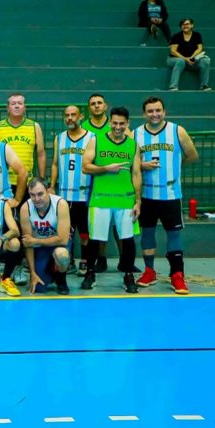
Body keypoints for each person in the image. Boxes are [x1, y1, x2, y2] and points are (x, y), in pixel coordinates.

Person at [134, 97, 199, 294]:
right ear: (144, 113)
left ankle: (177, 274)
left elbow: (193, 155)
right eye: (150, 111)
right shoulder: (136, 133)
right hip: (147, 194)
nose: (155, 114)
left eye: (158, 110)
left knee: (173, 233)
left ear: (164, 111)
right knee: (147, 234)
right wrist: (142, 165)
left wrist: (174, 169)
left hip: (171, 194)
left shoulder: (177, 130)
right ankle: (149, 271)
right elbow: (133, 163)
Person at [80, 106, 142, 293]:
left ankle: (128, 275)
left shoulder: (133, 145)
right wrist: (106, 168)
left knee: (128, 239)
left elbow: (137, 173)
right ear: (110, 122)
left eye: (121, 123)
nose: (117, 127)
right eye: (114, 123)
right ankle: (90, 273)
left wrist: (138, 201)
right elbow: (85, 167)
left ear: (127, 124)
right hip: (101, 199)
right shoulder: (96, 141)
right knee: (95, 239)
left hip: (125, 200)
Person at [49, 105, 95, 275]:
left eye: (73, 115)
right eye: (67, 115)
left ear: (80, 116)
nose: (70, 118)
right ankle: (68, 261)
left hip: (85, 193)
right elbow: (54, 163)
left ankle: (85, 260)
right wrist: (52, 186)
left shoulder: (92, 138)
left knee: (85, 231)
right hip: (64, 194)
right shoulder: (59, 138)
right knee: (67, 231)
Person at [20, 177, 71, 295]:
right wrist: (32, 273)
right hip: (39, 248)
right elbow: (28, 244)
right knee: (39, 288)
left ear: (48, 191)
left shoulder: (60, 204)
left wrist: (35, 240)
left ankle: (61, 279)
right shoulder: (25, 208)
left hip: (57, 246)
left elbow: (63, 240)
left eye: (40, 194)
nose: (36, 199)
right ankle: (50, 271)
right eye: (32, 195)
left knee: (62, 255)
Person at [0, 93, 46, 190]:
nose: (17, 106)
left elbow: (41, 154)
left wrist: (42, 178)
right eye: (13, 104)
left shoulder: (34, 126)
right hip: (4, 182)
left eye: (20, 103)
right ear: (7, 108)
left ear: (25, 107)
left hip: (27, 182)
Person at [167, 18, 211, 91]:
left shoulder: (197, 35)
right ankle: (173, 86)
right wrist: (185, 59)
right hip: (174, 59)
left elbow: (199, 48)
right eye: (183, 24)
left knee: (205, 61)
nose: (185, 26)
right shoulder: (176, 36)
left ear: (192, 25)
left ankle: (204, 86)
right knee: (180, 61)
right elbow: (173, 51)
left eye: (187, 24)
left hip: (191, 60)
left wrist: (191, 57)